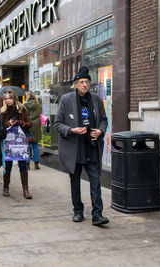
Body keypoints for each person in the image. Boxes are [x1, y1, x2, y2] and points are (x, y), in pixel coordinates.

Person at [54, 66, 109, 226]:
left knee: (95, 180)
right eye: (81, 82)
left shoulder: (96, 100)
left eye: (87, 82)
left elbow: (104, 120)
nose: (85, 85)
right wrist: (72, 130)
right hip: (75, 148)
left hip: (92, 146)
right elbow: (58, 124)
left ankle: (97, 214)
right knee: (75, 181)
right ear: (76, 84)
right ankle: (78, 211)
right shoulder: (66, 99)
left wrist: (100, 130)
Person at [0, 90, 33, 199]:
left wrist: (20, 122)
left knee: (22, 164)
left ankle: (25, 189)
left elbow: (29, 123)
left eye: (10, 98)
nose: (8, 100)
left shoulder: (22, 108)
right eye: (6, 98)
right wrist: (8, 123)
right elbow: (0, 126)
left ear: (14, 99)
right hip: (8, 141)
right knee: (7, 164)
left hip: (21, 141)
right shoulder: (3, 111)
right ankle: (6, 187)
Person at [24, 91, 42, 170]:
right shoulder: (38, 105)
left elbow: (24, 115)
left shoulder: (25, 105)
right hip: (36, 125)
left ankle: (27, 164)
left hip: (28, 125)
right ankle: (36, 165)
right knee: (35, 146)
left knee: (27, 146)